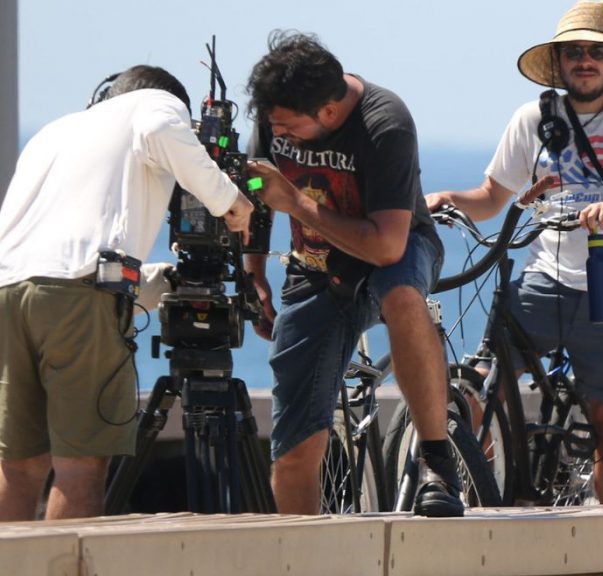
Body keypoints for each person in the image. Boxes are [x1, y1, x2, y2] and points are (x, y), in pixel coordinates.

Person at [426, 0, 603, 504]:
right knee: (478, 393)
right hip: (545, 279)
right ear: (558, 62)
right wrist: (446, 200)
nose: (585, 60)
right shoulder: (532, 117)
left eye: (597, 51)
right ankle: (479, 492)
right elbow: (492, 196)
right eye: (574, 51)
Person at [0, 66, 254, 521]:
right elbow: (160, 127)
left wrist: (165, 280)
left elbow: (62, 257)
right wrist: (231, 202)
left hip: (10, 291)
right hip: (78, 297)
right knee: (81, 465)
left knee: (20, 466)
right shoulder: (155, 105)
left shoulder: (55, 131)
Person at [243, 31, 463, 517]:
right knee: (294, 448)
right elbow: (258, 184)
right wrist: (254, 272)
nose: (277, 134)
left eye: (287, 127)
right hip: (315, 268)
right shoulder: (273, 116)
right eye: (272, 125)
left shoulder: (385, 122)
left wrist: (296, 203)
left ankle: (436, 458)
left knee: (402, 295)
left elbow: (388, 246)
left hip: (398, 245)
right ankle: (304, 575)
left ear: (326, 112)